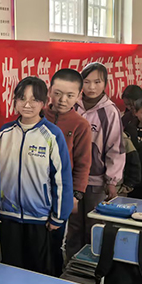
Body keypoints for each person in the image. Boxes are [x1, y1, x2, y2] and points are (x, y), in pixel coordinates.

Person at [0, 76, 73, 276]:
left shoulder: (52, 135)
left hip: (40, 218)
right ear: (15, 101)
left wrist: (58, 216)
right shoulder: (5, 132)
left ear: (44, 103)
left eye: (34, 99)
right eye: (22, 98)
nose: (27, 104)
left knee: (40, 273)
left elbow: (62, 179)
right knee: (11, 270)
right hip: (8, 216)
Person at [73, 63, 125, 248]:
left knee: (94, 225)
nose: (91, 87)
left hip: (97, 181)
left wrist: (112, 180)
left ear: (105, 83)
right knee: (73, 226)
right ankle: (71, 261)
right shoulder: (72, 105)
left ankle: (93, 262)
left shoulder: (110, 111)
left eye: (97, 82)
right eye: (86, 82)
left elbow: (115, 147)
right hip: (72, 179)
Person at [43, 69, 92, 261]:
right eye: (57, 93)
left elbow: (83, 163)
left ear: (79, 95)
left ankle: (53, 275)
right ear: (49, 91)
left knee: (54, 243)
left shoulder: (80, 125)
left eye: (70, 95)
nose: (63, 100)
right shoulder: (38, 116)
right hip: (34, 191)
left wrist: (76, 195)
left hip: (61, 193)